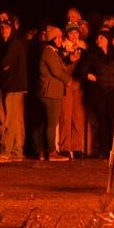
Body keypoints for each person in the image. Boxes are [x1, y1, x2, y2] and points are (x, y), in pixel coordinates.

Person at [78, 29, 114, 158]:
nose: (99, 40)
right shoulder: (92, 54)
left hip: (113, 92)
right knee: (102, 121)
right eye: (98, 38)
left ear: (108, 40)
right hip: (98, 91)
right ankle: (104, 151)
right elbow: (81, 70)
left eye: (102, 38)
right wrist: (88, 76)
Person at [0, 16, 27, 162]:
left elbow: (5, 64)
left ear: (12, 29)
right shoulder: (11, 44)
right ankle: (17, 151)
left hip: (11, 87)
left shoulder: (13, 44)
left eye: (7, 27)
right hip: (15, 86)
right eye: (2, 27)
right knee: (16, 120)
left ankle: (6, 151)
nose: (3, 30)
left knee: (8, 120)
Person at [36, 25, 70, 161]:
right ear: (54, 38)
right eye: (60, 37)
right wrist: (69, 80)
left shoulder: (52, 51)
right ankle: (51, 152)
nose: (61, 39)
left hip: (50, 91)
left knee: (46, 123)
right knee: (51, 123)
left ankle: (43, 151)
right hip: (51, 92)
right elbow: (57, 71)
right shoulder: (49, 52)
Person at [58, 23, 87, 157]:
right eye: (71, 34)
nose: (74, 36)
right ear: (67, 35)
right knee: (65, 115)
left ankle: (77, 147)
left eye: (76, 33)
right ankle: (65, 146)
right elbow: (61, 67)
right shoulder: (62, 47)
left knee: (78, 116)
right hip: (67, 84)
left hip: (79, 84)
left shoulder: (83, 47)